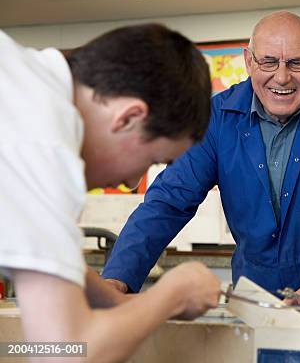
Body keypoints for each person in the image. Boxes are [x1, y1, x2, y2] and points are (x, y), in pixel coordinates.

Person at [102, 11, 300, 312]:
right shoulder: (219, 117)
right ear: (248, 61)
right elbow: (169, 200)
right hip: (259, 300)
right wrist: (117, 278)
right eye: (268, 62)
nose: (281, 77)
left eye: (296, 63)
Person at [0, 24, 221, 361]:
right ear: (128, 117)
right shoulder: (45, 143)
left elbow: (41, 246)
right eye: (151, 160)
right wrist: (173, 294)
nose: (133, 182)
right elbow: (65, 353)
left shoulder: (21, 81)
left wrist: (113, 300)